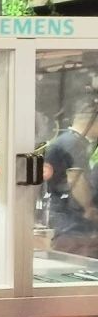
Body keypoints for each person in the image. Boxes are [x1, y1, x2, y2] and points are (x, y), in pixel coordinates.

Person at [43, 100, 98, 249]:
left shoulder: (67, 141)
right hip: (74, 227)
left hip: (67, 223)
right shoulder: (74, 144)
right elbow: (76, 178)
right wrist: (89, 208)